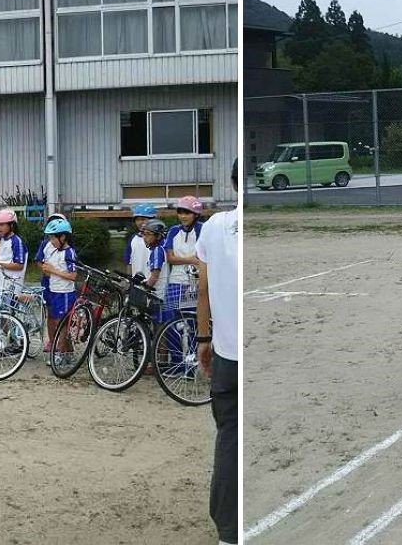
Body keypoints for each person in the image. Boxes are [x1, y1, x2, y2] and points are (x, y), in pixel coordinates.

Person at [197, 160, 239, 545]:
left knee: (229, 439)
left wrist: (203, 338)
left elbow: (203, 289)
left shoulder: (214, 226)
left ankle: (228, 530)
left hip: (227, 354)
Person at [39, 215, 78, 362]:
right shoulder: (53, 250)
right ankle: (68, 353)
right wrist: (47, 269)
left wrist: (53, 270)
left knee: (61, 324)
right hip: (54, 290)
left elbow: (73, 275)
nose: (51, 241)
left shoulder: (69, 252)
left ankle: (61, 353)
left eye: (53, 238)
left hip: (65, 293)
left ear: (63, 237)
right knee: (57, 321)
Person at [164, 196, 204, 319]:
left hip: (195, 282)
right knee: (171, 319)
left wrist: (181, 259)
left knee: (193, 319)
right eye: (180, 212)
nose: (183, 216)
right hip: (175, 281)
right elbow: (170, 258)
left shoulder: (202, 229)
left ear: (196, 214)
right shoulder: (173, 231)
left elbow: (203, 257)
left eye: (187, 213)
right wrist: (191, 259)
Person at [0, 208, 27, 304]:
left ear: (11, 225)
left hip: (11, 287)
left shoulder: (16, 241)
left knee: (7, 316)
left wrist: (0, 264)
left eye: (2, 225)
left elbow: (19, 265)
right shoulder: (0, 239)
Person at [141, 219, 172, 326]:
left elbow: (154, 276)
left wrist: (145, 288)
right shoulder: (163, 248)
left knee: (157, 328)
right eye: (143, 234)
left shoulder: (157, 251)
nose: (144, 238)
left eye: (148, 234)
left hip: (157, 296)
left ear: (158, 236)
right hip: (162, 295)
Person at [124, 203, 158, 277]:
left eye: (143, 219)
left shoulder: (161, 239)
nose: (140, 223)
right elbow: (129, 263)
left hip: (158, 284)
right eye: (137, 220)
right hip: (137, 284)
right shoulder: (133, 239)